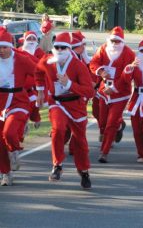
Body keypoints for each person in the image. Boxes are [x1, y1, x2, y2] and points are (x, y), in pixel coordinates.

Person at [35, 32, 94, 189]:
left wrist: (69, 84)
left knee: (80, 141)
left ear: (69, 49)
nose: (59, 50)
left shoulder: (78, 66)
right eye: (57, 47)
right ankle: (57, 165)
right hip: (57, 103)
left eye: (63, 47)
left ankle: (84, 171)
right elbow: (38, 70)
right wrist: (40, 90)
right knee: (58, 129)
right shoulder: (48, 61)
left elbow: (89, 92)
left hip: (76, 105)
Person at [89, 27, 135, 163]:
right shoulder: (103, 49)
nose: (114, 43)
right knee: (102, 122)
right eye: (112, 40)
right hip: (104, 91)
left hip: (120, 93)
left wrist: (115, 87)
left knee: (110, 123)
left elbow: (128, 76)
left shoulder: (128, 54)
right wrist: (101, 71)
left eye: (117, 41)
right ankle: (119, 126)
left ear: (122, 41)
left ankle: (104, 152)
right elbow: (93, 63)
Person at [0, 28, 37, 186]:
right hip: (0, 102)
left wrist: (41, 92)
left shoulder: (22, 60)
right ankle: (6, 173)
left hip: (18, 100)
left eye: (4, 47)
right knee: (0, 142)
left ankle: (14, 150)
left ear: (11, 46)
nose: (1, 51)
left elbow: (39, 73)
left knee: (8, 133)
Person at [18, 31, 46, 132]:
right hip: (17, 88)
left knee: (33, 103)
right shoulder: (18, 52)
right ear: (24, 40)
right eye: (29, 39)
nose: (31, 41)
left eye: (33, 39)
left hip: (33, 88)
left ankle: (32, 120)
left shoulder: (40, 53)